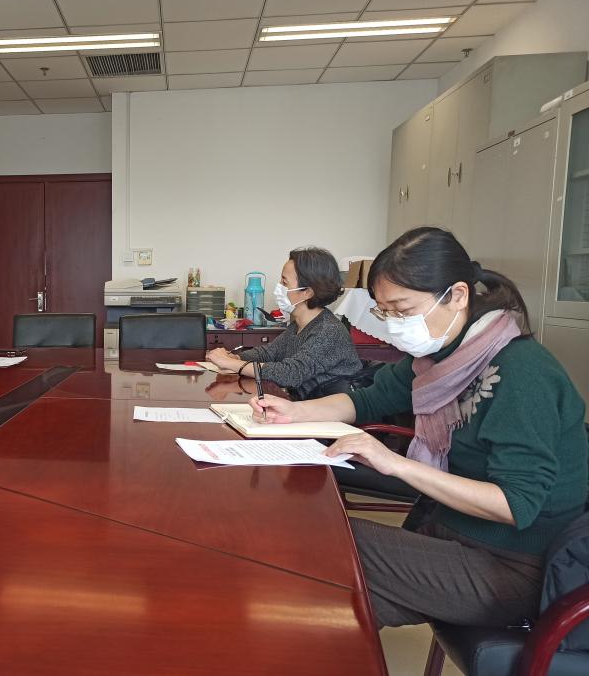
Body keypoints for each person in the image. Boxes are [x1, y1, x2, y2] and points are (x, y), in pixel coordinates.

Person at [250, 227, 588, 630]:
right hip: (452, 533)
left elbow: (515, 505)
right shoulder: (440, 358)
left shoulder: (522, 372)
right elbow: (367, 400)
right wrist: (293, 411)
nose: (394, 324)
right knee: (316, 601)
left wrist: (394, 462)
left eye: (402, 309)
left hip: (514, 567)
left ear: (457, 295)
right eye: (385, 312)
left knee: (319, 538)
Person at [207, 247, 362, 399]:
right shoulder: (299, 324)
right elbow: (268, 353)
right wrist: (235, 358)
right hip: (303, 405)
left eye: (284, 282)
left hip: (328, 412)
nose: (278, 287)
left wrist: (231, 364)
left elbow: (290, 374)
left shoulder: (329, 331)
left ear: (307, 292)